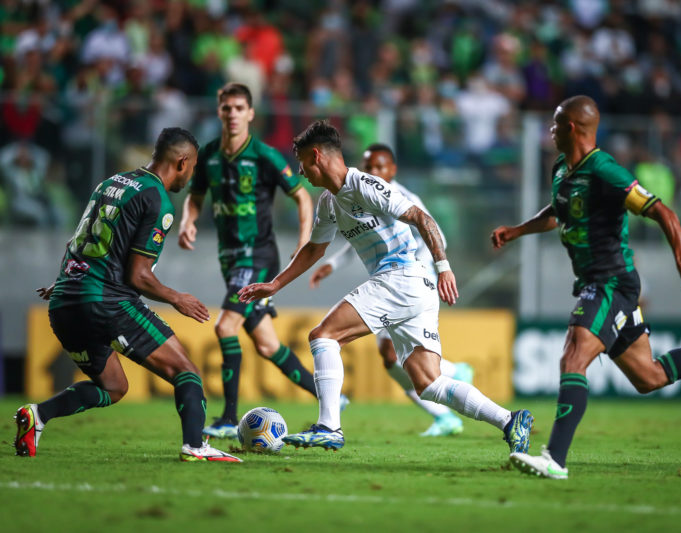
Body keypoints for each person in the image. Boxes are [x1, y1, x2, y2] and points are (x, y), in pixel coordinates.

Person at [491, 95, 681, 480]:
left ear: (572, 128)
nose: (549, 129)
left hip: (611, 281)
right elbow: (558, 212)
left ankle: (555, 459)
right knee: (648, 377)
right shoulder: (563, 168)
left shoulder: (606, 171)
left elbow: (662, 211)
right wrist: (517, 231)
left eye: (555, 122)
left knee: (573, 356)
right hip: (597, 281)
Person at [238, 120, 533, 454]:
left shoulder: (364, 184)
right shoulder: (328, 203)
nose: (302, 171)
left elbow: (423, 218)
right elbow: (313, 250)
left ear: (316, 155)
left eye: (303, 162)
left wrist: (445, 267)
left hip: (402, 278)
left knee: (323, 336)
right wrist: (275, 284)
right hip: (413, 287)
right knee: (429, 383)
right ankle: (511, 420)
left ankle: (329, 426)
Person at [15, 127, 240, 462]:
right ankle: (195, 445)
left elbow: (78, 240)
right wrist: (176, 297)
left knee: (113, 387)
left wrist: (66, 282)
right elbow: (139, 277)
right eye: (193, 168)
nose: (191, 177)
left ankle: (38, 415)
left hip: (65, 301)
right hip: (106, 301)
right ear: (181, 162)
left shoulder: (110, 183)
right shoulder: (157, 200)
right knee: (186, 372)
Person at [178, 83, 321, 439]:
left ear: (250, 113)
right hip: (229, 258)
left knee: (225, 327)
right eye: (226, 108)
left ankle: (228, 419)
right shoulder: (208, 155)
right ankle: (331, 397)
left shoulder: (265, 156)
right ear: (219, 111)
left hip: (258, 255)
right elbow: (194, 196)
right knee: (267, 344)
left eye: (239, 108)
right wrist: (188, 220)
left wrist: (304, 240)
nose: (232, 114)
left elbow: (303, 197)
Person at [309, 143, 474, 437]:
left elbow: (436, 233)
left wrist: (427, 270)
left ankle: (452, 374)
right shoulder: (358, 193)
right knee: (392, 360)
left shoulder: (401, 197)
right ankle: (445, 406)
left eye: (379, 167)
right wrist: (331, 265)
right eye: (369, 167)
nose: (373, 172)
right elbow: (358, 235)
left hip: (410, 281)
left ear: (392, 170)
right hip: (392, 279)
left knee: (392, 356)